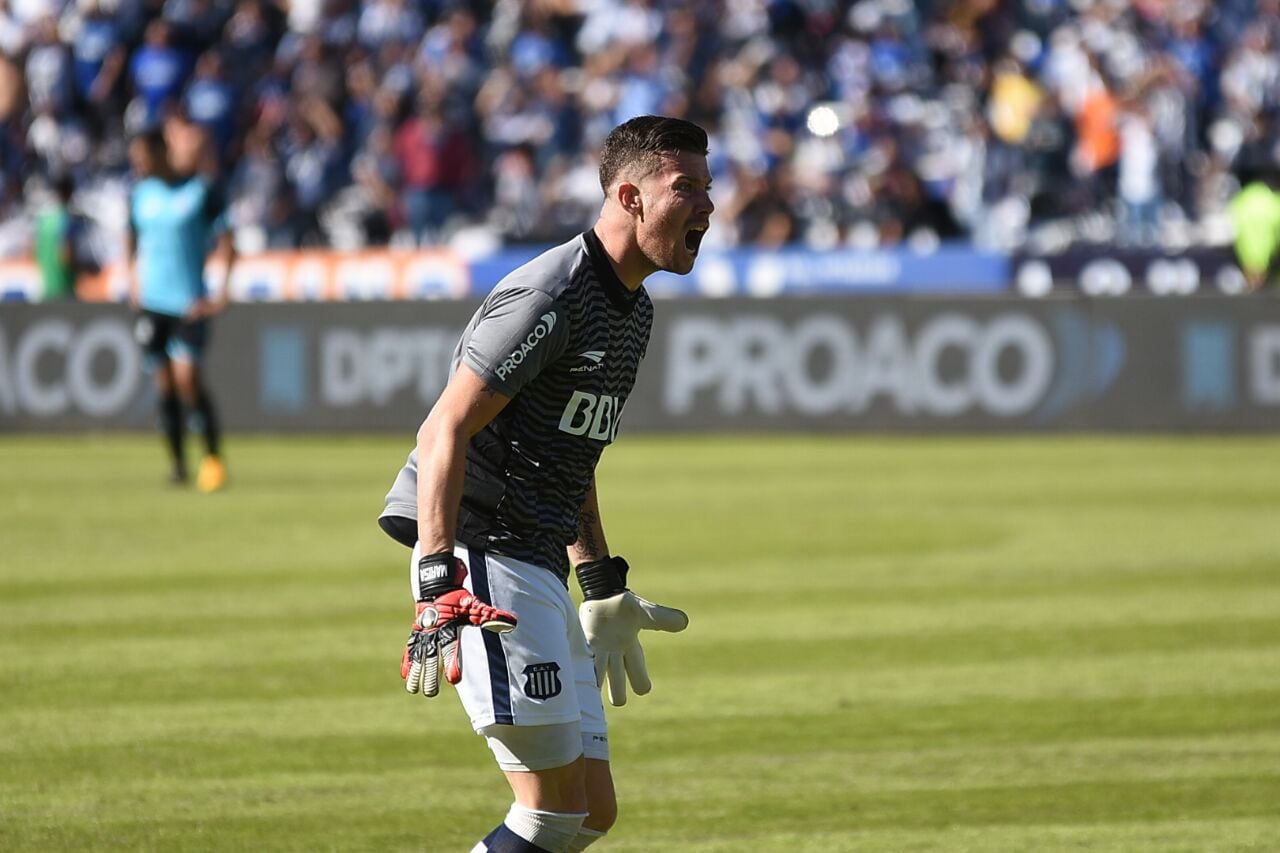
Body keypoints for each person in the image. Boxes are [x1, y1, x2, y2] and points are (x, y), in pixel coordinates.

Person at [378, 115, 713, 852]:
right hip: (482, 555)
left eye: (708, 189)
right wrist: (438, 580)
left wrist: (599, 580)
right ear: (629, 196)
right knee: (550, 811)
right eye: (685, 187)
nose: (707, 208)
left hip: (535, 564)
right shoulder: (551, 293)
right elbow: (444, 430)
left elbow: (572, 452)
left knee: (591, 811)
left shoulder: (635, 310)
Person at [125, 119, 235, 491]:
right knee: (165, 386)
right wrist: (132, 280)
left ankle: (212, 457)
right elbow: (131, 238)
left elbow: (226, 241)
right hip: (152, 302)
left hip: (189, 302)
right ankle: (177, 464)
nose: (137, 163)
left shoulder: (200, 191)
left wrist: (221, 292)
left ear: (160, 152)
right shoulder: (141, 193)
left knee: (189, 380)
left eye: (141, 156)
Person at [34, 173, 89, 300]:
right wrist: (84, 269)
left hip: (46, 289)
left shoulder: (43, 220)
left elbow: (35, 252)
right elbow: (65, 255)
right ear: (70, 191)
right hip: (64, 289)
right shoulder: (66, 219)